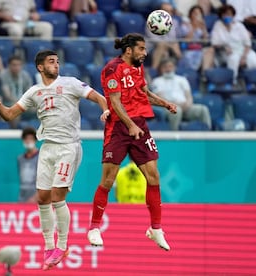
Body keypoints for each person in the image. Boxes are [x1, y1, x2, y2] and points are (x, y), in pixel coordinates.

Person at [0, 50, 109, 270]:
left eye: (58, 62)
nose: (56, 65)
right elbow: (10, 115)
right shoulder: (34, 92)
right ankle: (49, 247)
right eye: (51, 62)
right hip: (47, 148)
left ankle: (63, 245)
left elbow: (99, 97)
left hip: (68, 146)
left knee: (58, 196)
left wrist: (105, 111)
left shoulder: (71, 83)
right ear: (40, 67)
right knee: (42, 198)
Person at [87, 33, 177, 251]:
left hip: (139, 126)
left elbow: (143, 92)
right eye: (141, 49)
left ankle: (155, 229)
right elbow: (115, 102)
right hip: (119, 128)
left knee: (154, 176)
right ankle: (94, 227)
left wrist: (164, 103)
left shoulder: (138, 67)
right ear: (129, 50)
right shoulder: (111, 69)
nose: (145, 53)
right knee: (108, 180)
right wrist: (130, 126)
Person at [152, 58, 212, 130]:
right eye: (165, 67)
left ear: (174, 68)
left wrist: (188, 104)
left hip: (185, 106)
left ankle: (208, 135)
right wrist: (176, 105)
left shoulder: (182, 79)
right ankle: (175, 137)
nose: (168, 69)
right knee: (177, 110)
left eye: (170, 66)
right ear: (161, 69)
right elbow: (160, 98)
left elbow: (188, 96)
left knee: (203, 109)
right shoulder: (157, 81)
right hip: (167, 108)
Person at [211, 4, 256, 81]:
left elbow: (247, 43)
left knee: (254, 59)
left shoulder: (239, 26)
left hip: (242, 50)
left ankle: (254, 82)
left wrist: (244, 57)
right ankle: (233, 82)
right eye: (225, 14)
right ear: (221, 15)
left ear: (233, 15)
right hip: (226, 52)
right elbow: (214, 43)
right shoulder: (218, 25)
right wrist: (223, 46)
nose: (227, 16)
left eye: (229, 14)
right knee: (233, 59)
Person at [0, 55, 36, 127]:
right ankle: (14, 132)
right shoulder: (3, 75)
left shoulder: (25, 75)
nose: (17, 67)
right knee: (15, 111)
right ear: (9, 65)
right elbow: (7, 95)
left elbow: (29, 93)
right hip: (7, 103)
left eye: (19, 65)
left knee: (40, 109)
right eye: (14, 65)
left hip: (23, 103)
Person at [147, 3, 182, 70]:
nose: (168, 13)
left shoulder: (174, 22)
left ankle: (180, 70)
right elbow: (155, 40)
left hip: (169, 46)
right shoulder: (151, 21)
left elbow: (174, 38)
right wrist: (169, 45)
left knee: (175, 45)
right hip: (153, 48)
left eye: (170, 11)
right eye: (165, 10)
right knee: (162, 47)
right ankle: (153, 70)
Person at [180, 5, 214, 72]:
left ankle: (204, 74)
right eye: (195, 13)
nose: (197, 15)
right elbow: (187, 40)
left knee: (210, 50)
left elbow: (206, 41)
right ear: (190, 14)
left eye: (199, 13)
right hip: (188, 49)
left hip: (199, 49)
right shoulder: (185, 24)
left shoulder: (202, 25)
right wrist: (194, 27)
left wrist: (203, 27)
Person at [17, 127, 39, 203]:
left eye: (31, 138)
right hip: (22, 198)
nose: (28, 141)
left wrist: (36, 197)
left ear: (35, 140)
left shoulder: (41, 157)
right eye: (26, 139)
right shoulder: (20, 159)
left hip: (37, 199)